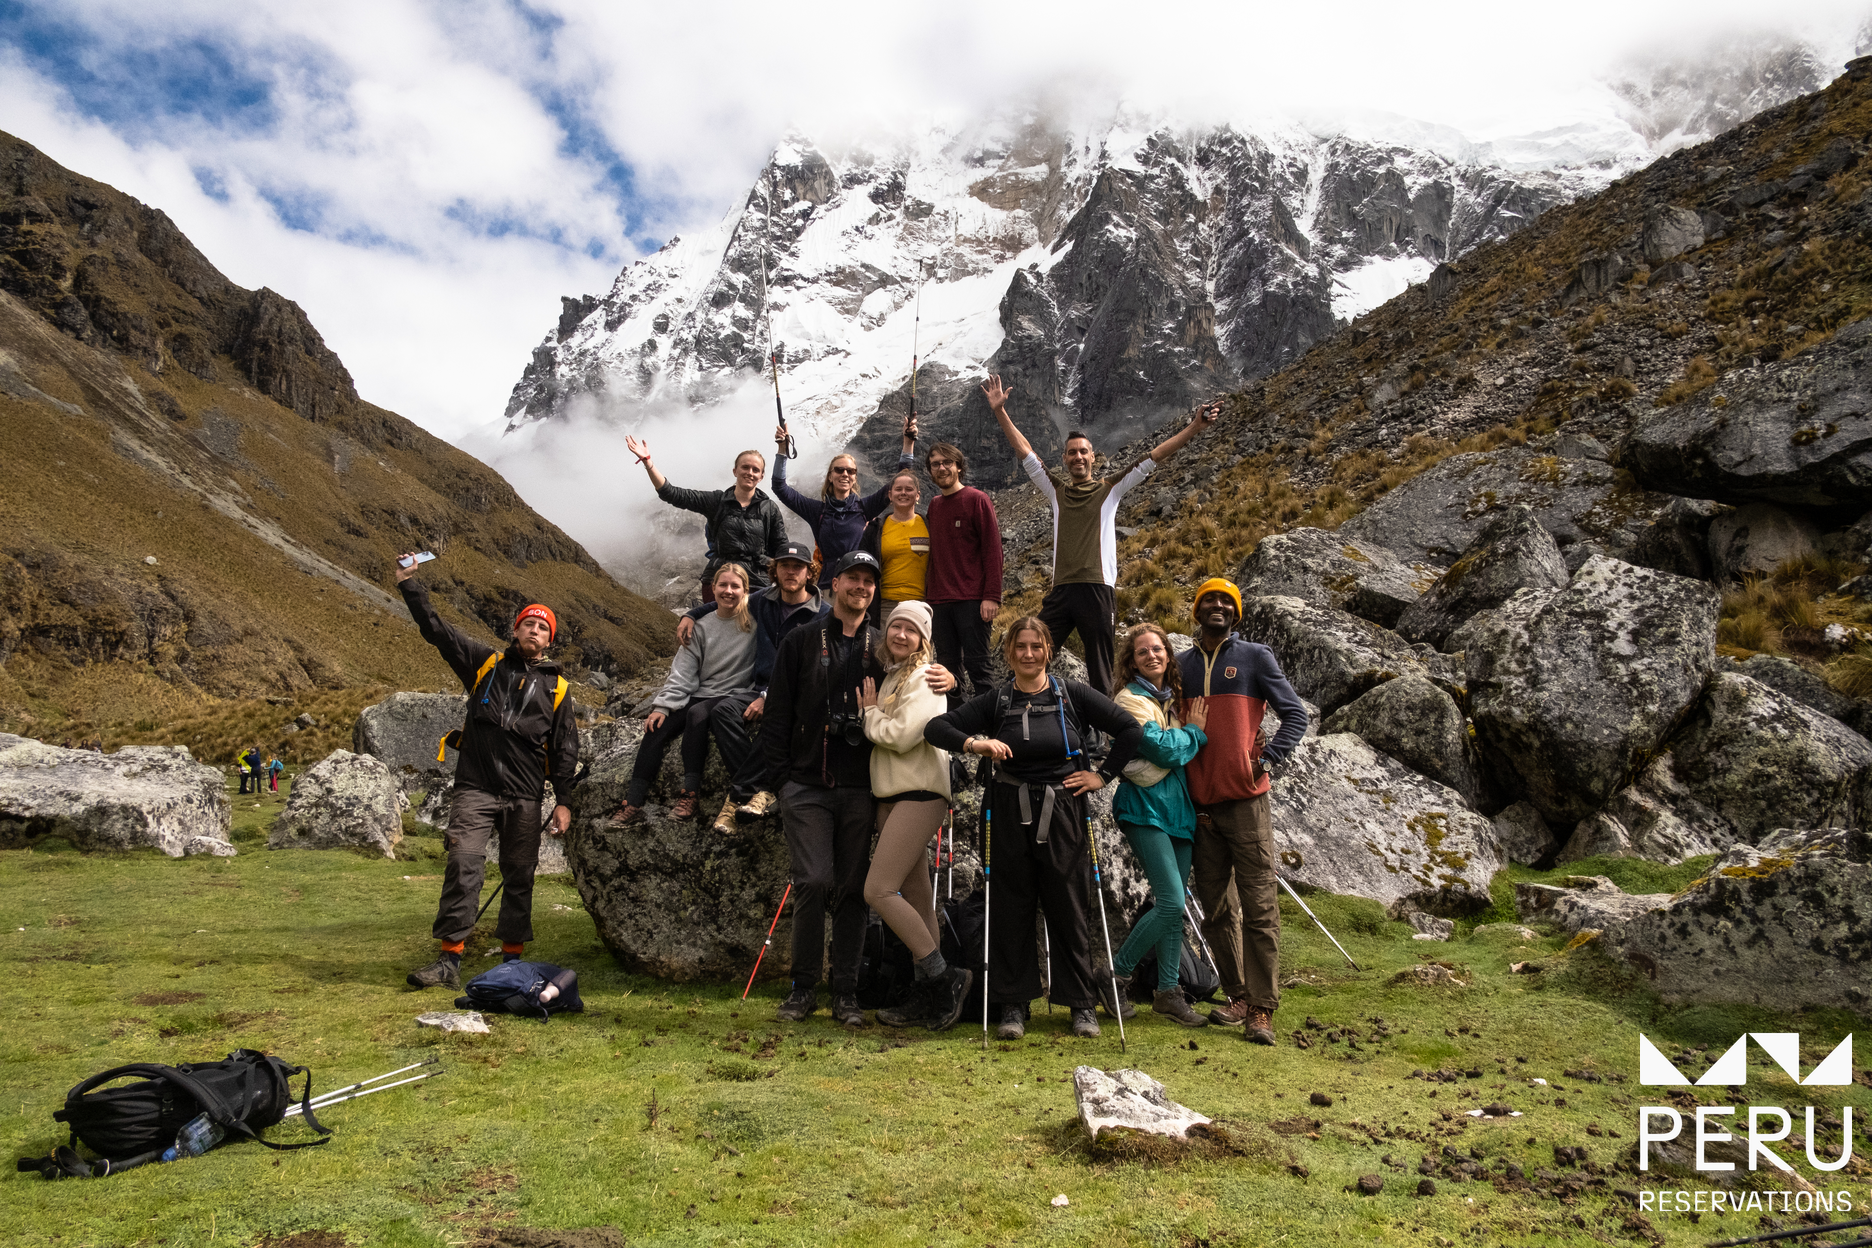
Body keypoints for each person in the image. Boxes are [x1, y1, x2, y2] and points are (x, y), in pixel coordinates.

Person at [924, 616, 1142, 1040]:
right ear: (1009, 652)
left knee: (1069, 905)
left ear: (1048, 650)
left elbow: (1129, 729)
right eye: (1020, 647)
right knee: (1009, 906)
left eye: (1036, 646)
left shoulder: (1071, 694)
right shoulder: (997, 700)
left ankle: (1081, 1005)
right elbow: (936, 728)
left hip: (1064, 809)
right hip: (1007, 809)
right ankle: (1013, 1005)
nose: (1028, 654)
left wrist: (1102, 775)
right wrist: (976, 744)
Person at [761, 551, 953, 1025]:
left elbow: (925, 692)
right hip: (805, 783)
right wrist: (779, 779)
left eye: (869, 581)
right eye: (853, 578)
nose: (861, 587)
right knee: (813, 881)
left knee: (853, 889)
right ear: (833, 583)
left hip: (861, 788)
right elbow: (778, 713)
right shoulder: (802, 640)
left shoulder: (882, 649)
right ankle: (803, 987)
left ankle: (845, 992)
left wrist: (952, 678)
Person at [396, 554, 579, 992]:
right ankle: (449, 958)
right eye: (528, 624)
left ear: (549, 640)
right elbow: (437, 632)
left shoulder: (559, 689)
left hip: (525, 794)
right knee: (463, 864)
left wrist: (565, 802)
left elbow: (564, 749)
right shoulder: (485, 664)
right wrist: (409, 585)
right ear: (515, 629)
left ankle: (513, 961)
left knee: (519, 874)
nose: (533, 630)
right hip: (475, 786)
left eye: (542, 627)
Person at [986, 376, 1221, 696]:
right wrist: (1000, 412)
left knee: (1099, 668)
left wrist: (1194, 427)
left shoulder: (1110, 489)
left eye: (1083, 452)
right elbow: (1026, 452)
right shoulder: (1056, 491)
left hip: (1098, 591)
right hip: (1061, 591)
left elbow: (1154, 457)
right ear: (1065, 459)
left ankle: (1100, 738)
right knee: (1034, 649)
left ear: (1093, 457)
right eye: (1072, 453)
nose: (1078, 457)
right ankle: (1018, 710)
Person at [1177, 577, 1307, 1045]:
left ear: (1236, 612)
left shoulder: (1255, 657)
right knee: (1215, 908)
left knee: (1259, 905)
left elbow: (1295, 712)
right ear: (1197, 611)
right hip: (1201, 806)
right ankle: (1236, 995)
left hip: (1247, 803)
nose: (1216, 606)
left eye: (1225, 601)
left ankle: (1263, 1008)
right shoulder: (1181, 666)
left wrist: (1269, 758)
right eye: (1208, 599)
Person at [858, 601, 972, 1030]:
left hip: (919, 793)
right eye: (895, 627)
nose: (900, 635)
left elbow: (906, 736)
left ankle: (947, 978)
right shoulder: (893, 675)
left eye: (911, 629)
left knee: (878, 890)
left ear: (924, 638)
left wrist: (869, 715)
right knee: (920, 901)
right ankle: (928, 995)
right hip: (894, 795)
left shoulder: (925, 676)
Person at [672, 541, 829, 832]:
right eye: (784, 566)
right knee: (721, 712)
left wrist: (770, 697)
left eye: (798, 567)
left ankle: (737, 796)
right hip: (758, 687)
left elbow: (815, 670)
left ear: (810, 572)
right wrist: (691, 615)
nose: (791, 572)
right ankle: (761, 791)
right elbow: (726, 601)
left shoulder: (823, 615)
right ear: (775, 571)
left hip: (797, 693)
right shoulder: (762, 601)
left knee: (777, 719)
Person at [1108, 624, 1210, 1027]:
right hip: (1143, 806)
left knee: (1174, 909)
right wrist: (1195, 734)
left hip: (1178, 811)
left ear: (1169, 655)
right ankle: (1115, 974)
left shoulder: (1170, 701)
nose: (1151, 656)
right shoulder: (1129, 700)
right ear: (1131, 662)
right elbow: (1163, 750)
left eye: (1158, 649)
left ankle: (1169, 991)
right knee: (1171, 901)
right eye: (1141, 652)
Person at [608, 563, 759, 825]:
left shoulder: (756, 621)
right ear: (712, 589)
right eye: (722, 585)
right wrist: (663, 706)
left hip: (734, 695)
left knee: (698, 715)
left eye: (735, 586)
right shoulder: (700, 626)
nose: (728, 591)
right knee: (656, 727)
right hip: (701, 692)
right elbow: (683, 671)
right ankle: (633, 803)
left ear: (746, 590)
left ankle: (690, 794)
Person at [625, 437, 786, 602]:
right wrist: (648, 462)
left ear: (761, 476)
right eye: (745, 467)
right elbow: (671, 493)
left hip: (757, 584)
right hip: (719, 579)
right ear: (735, 471)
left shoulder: (770, 508)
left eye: (755, 470)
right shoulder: (717, 501)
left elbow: (781, 548)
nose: (750, 473)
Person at [770, 419, 916, 588]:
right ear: (830, 477)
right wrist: (782, 449)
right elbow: (780, 487)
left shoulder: (864, 507)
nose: (845, 474)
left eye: (851, 471)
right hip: (828, 586)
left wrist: (908, 443)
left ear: (855, 478)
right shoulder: (817, 511)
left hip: (857, 586)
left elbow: (901, 480)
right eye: (839, 470)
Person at [921, 441, 1002, 703]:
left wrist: (992, 596)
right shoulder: (933, 506)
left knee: (979, 664)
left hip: (971, 600)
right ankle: (957, 723)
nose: (942, 468)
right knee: (946, 667)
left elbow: (993, 550)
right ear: (930, 470)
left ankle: (991, 725)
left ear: (958, 467)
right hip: (939, 602)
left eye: (947, 463)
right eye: (935, 464)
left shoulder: (977, 500)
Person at [858, 467, 929, 623]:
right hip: (885, 606)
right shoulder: (875, 530)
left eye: (909, 489)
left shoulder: (930, 526)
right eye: (898, 489)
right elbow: (862, 567)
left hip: (922, 605)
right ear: (890, 495)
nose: (903, 493)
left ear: (917, 495)